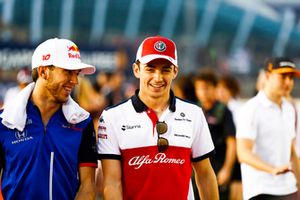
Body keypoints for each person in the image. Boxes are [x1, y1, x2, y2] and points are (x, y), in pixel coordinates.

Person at [97, 35, 219, 200]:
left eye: (165, 70)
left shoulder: (194, 113)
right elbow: (111, 183)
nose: (158, 77)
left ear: (175, 71)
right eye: (150, 68)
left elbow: (205, 174)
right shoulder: (112, 117)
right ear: (136, 69)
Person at [0, 38, 98, 199]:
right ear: (43, 71)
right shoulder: (4, 122)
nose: (75, 81)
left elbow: (88, 186)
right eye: (67, 72)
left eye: (76, 74)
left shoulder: (82, 123)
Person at [236, 57, 300, 200]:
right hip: (261, 189)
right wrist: (272, 169)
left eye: (291, 77)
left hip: (289, 188)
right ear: (268, 76)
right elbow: (243, 153)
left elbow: (291, 151)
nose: (288, 82)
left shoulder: (289, 109)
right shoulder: (251, 109)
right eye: (283, 76)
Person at [194, 69, 237, 200]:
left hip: (218, 168)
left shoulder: (223, 111)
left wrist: (227, 170)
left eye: (206, 88)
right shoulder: (194, 110)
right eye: (199, 89)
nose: (202, 92)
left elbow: (231, 143)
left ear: (214, 88)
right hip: (196, 170)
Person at [216, 75, 243, 200]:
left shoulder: (236, 109)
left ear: (231, 90)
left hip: (238, 159)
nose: (220, 92)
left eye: (224, 89)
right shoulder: (220, 109)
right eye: (218, 88)